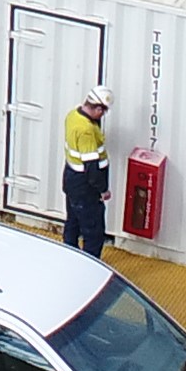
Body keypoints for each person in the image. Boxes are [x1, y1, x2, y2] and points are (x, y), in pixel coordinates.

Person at [59, 85, 113, 257]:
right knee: (93, 232)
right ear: (97, 108)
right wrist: (103, 190)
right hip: (86, 188)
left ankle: (70, 258)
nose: (102, 115)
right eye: (102, 111)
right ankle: (91, 266)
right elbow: (91, 168)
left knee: (73, 223)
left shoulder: (73, 115)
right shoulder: (86, 131)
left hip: (71, 180)